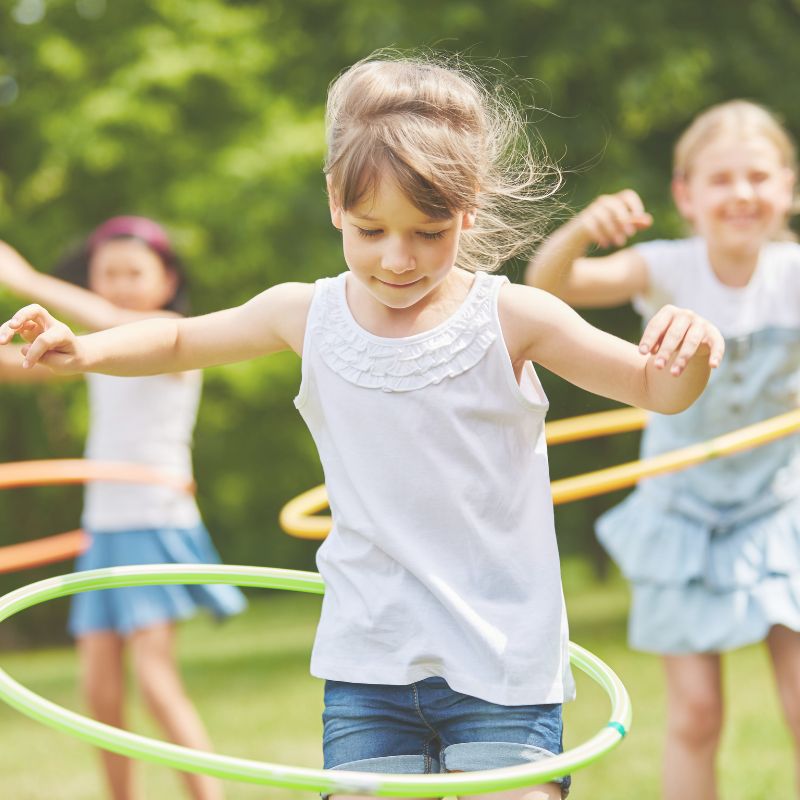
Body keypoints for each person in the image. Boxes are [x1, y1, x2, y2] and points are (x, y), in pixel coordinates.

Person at [0, 54, 723, 800]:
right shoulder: (304, 313)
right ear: (335, 203)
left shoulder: (512, 317)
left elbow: (656, 389)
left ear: (468, 208)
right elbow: (179, 340)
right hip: (368, 665)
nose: (398, 258)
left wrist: (694, 345)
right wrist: (83, 350)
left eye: (428, 231)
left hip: (503, 662)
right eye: (372, 228)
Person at [525, 99, 800, 800]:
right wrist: (584, 229)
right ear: (686, 194)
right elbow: (546, 291)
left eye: (761, 177)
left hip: (779, 505)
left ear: (789, 188)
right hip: (681, 510)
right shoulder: (665, 267)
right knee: (697, 714)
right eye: (722, 179)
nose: (743, 193)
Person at [0, 216, 246, 800]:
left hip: (153, 518)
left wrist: (26, 278)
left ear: (167, 281)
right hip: (102, 528)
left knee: (156, 681)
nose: (118, 284)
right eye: (106, 273)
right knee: (100, 693)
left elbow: (116, 323)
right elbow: (21, 366)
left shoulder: (170, 333)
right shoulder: (92, 350)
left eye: (134, 272)